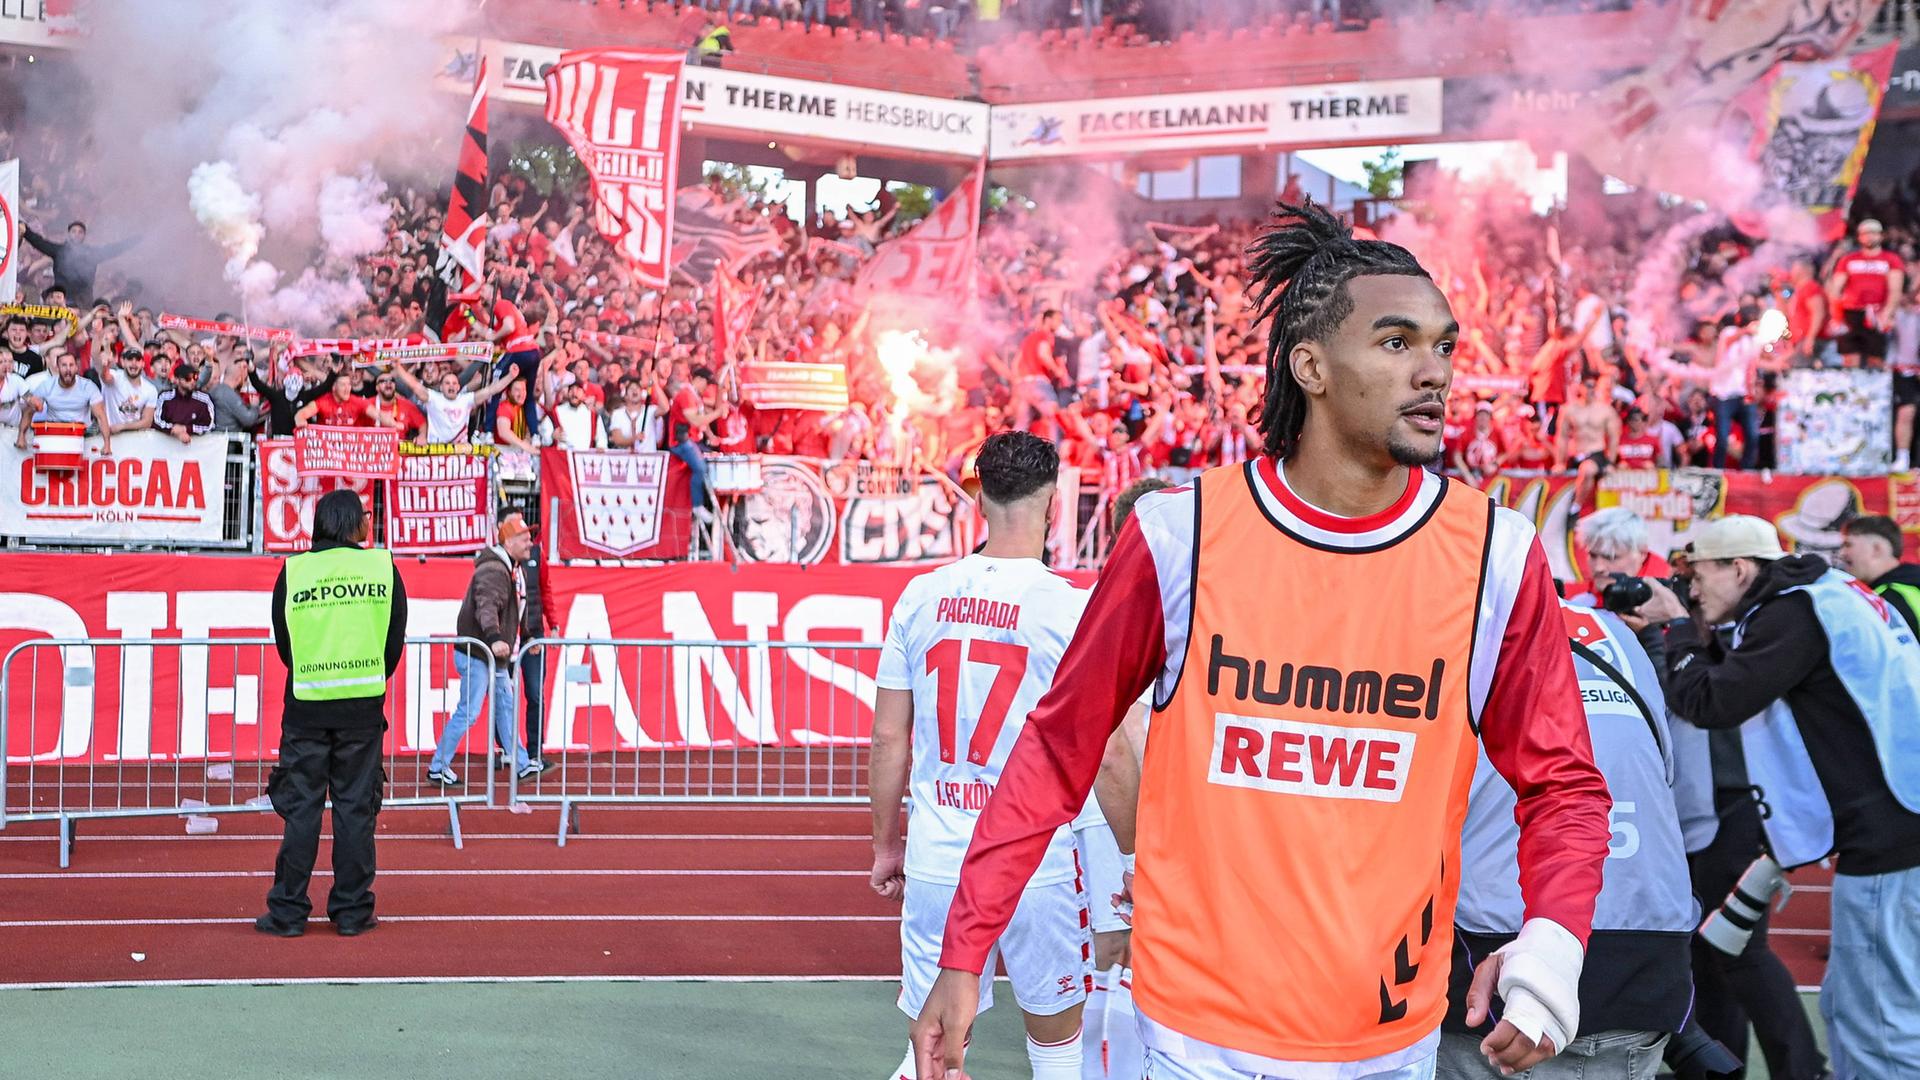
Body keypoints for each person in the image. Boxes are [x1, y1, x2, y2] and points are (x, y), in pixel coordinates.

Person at [910, 201, 1613, 1080]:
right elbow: (1056, 751)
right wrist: (966, 951)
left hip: (1389, 1046)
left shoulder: (1497, 556)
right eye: (1396, 344)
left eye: (1442, 346)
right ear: (1309, 365)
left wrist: (1554, 942)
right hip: (1195, 1044)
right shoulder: (1179, 536)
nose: (1434, 372)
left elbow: (1566, 788)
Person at [1636, 515, 1920, 1077]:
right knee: (1847, 1007)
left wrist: (1675, 630)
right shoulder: (1824, 593)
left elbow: (1711, 703)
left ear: (1739, 568)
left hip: (1890, 839)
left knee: (1879, 1031)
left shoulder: (1793, 612)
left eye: (1698, 577)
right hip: (1894, 824)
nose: (1690, 591)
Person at [869, 432, 1106, 1080]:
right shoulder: (1071, 608)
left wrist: (886, 845)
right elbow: (1105, 746)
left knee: (936, 1048)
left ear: (980, 501)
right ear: (1053, 504)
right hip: (1037, 858)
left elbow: (890, 736)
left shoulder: (920, 596)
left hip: (941, 853)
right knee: (1057, 1048)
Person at [1441, 601, 1703, 1079]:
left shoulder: (1447, 618)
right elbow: (1679, 790)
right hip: (1646, 960)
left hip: (1496, 956)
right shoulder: (1614, 631)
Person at [258, 489, 408, 937]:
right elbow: (393, 640)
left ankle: (287, 913)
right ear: (351, 523)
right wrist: (365, 678)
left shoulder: (295, 571)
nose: (369, 521)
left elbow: (285, 641)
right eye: (364, 514)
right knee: (354, 812)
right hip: (361, 711)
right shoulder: (382, 569)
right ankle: (351, 911)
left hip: (306, 708)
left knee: (301, 812)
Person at [428, 512, 544, 785]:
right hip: (480, 654)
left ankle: (521, 763)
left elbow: (515, 608)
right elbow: (487, 607)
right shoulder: (495, 570)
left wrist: (525, 637)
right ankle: (438, 766)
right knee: (469, 712)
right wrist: (494, 639)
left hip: (489, 655)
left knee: (505, 706)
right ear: (509, 542)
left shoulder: (508, 568)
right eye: (525, 539)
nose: (531, 544)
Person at [1828, 219, 1906, 370]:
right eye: (1865, 234)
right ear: (1859, 237)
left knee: (1876, 359)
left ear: (1881, 236)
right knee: (1850, 359)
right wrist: (1837, 316)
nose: (1869, 237)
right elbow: (1836, 289)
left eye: (1873, 233)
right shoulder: (1848, 260)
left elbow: (1895, 290)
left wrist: (1886, 314)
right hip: (1851, 313)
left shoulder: (1891, 260)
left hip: (1877, 313)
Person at [393, 362, 519, 445]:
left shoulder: (466, 400)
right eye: (447, 383)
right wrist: (398, 367)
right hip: (436, 451)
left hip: (459, 453)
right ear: (441, 387)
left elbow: (491, 390)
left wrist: (511, 377)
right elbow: (414, 385)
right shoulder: (433, 398)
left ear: (459, 387)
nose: (451, 386)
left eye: (454, 383)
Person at [21, 220, 139, 307]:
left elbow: (115, 248)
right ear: (68, 234)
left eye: (80, 232)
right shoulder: (59, 251)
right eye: (74, 231)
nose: (77, 234)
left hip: (83, 300)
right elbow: (40, 242)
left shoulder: (92, 253)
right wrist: (26, 231)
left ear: (84, 236)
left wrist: (137, 239)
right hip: (62, 299)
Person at [1838, 514, 1920, 638]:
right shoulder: (1910, 584)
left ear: (1877, 549)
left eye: (1848, 545)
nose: (1841, 553)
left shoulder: (1891, 598)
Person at [16, 349, 110, 455]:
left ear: (76, 367)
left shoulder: (88, 386)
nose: (68, 369)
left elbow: (101, 416)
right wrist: (21, 436)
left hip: (83, 432)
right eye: (64, 365)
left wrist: (107, 444)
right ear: (58, 367)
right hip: (54, 431)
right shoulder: (46, 386)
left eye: (71, 365)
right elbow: (29, 411)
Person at [1573, 507, 1672, 608]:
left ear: (1642, 554)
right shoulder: (1571, 597)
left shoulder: (1670, 602)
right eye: (1593, 555)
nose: (1599, 567)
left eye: (1610, 557)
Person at [667, 367, 724, 523]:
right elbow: (696, 420)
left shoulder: (695, 396)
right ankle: (697, 505)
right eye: (706, 383)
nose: (707, 388)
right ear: (698, 379)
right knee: (700, 468)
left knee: (713, 459)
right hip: (681, 441)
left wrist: (711, 436)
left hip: (694, 440)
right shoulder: (686, 395)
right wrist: (717, 413)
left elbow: (701, 423)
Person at [1558, 374, 1620, 518]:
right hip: (1576, 454)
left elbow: (1613, 438)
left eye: (1594, 386)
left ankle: (1575, 508)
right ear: (1581, 387)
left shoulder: (1605, 410)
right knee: (1580, 471)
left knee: (1587, 470)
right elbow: (1561, 437)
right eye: (1588, 386)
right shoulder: (1569, 409)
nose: (1591, 390)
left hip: (1595, 453)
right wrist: (1559, 462)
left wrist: (1610, 462)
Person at [97, 347, 157, 434]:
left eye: (137, 360)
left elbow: (147, 422)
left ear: (143, 364)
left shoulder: (150, 389)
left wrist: (122, 426)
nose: (134, 363)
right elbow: (105, 377)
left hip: (134, 438)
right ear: (123, 362)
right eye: (130, 359)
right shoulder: (115, 376)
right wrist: (105, 364)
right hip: (110, 436)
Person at [154, 363, 215, 444]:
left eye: (195, 377)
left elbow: (210, 425)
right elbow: (156, 420)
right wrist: (173, 429)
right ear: (176, 380)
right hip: (166, 447)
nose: (192, 381)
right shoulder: (165, 397)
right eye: (188, 378)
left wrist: (186, 429)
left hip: (197, 449)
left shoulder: (204, 399)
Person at [295, 370, 373, 428]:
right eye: (343, 385)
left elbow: (378, 414)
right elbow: (302, 413)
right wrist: (300, 420)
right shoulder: (324, 401)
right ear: (334, 387)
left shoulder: (356, 401)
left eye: (349, 384)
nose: (347, 389)